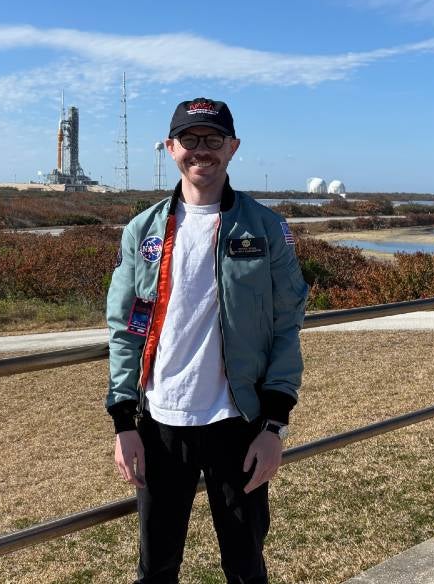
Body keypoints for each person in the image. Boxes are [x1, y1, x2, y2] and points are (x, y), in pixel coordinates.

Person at [106, 97, 308, 583]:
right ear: (170, 147)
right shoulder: (144, 231)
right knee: (156, 567)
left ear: (233, 147)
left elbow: (286, 325)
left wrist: (274, 425)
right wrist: (123, 420)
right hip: (159, 422)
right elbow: (126, 327)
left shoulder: (266, 229)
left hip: (239, 422)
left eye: (213, 139)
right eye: (190, 140)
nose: (202, 151)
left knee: (244, 564)